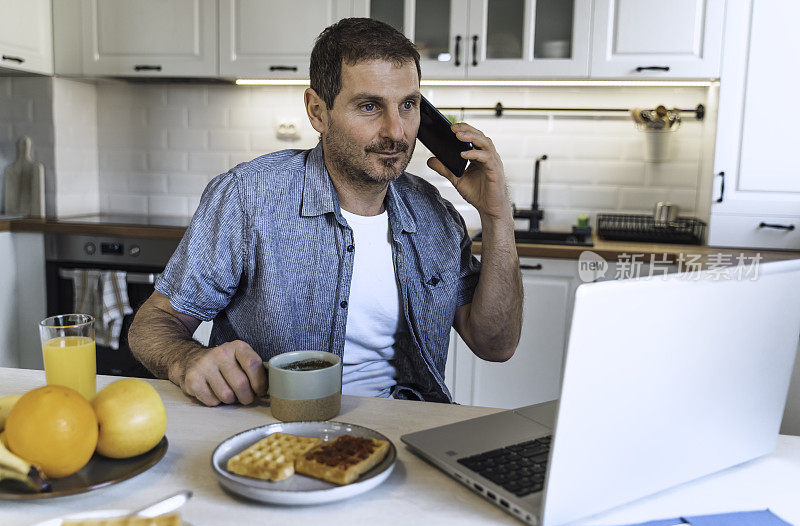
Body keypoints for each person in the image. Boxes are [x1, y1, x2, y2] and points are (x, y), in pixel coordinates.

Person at [129, 18, 523, 406]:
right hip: (283, 430)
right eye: (370, 106)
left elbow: (495, 345)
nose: (397, 132)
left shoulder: (435, 214)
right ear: (317, 111)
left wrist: (497, 216)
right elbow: (153, 325)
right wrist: (187, 359)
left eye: (408, 105)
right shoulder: (248, 198)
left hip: (411, 432)